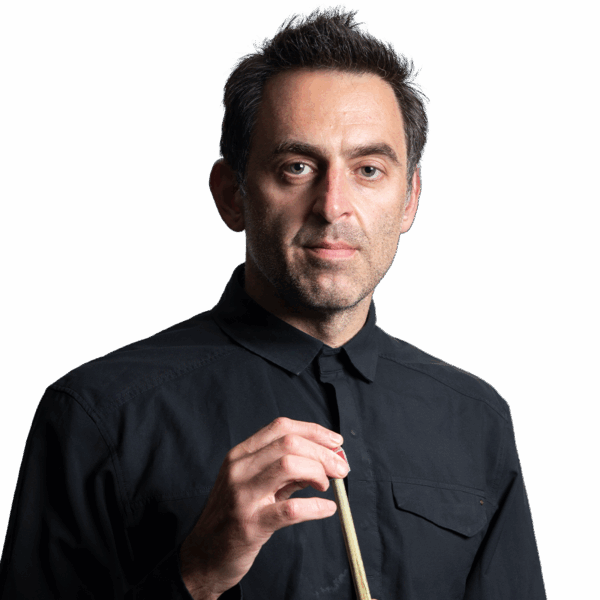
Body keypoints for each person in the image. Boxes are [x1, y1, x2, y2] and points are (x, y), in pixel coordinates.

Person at [0, 7, 545, 600]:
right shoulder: (98, 414)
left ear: (410, 198)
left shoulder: (475, 417)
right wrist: (197, 573)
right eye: (297, 167)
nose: (333, 206)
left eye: (368, 169)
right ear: (231, 195)